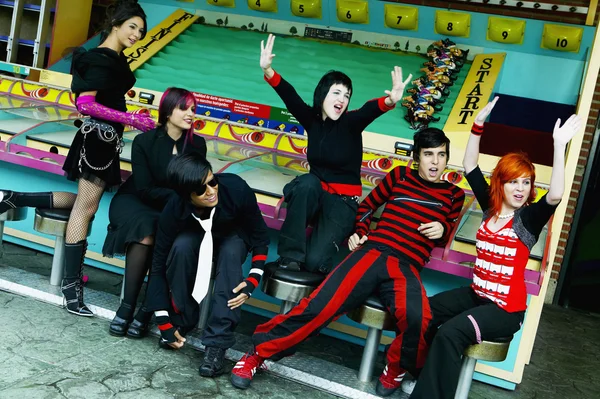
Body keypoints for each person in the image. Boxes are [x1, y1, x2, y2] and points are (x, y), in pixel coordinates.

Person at [231, 128, 466, 397]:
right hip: (373, 253)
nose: (435, 162)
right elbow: (365, 207)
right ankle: (257, 355)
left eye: (441, 155)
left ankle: (396, 367)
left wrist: (441, 229)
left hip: (406, 265)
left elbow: (447, 228)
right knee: (319, 307)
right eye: (428, 155)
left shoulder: (453, 195)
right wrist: (361, 231)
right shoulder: (399, 176)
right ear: (416, 157)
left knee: (420, 318)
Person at [409, 98, 582, 398]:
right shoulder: (491, 208)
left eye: (526, 183)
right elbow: (470, 165)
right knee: (425, 311)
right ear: (500, 184)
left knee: (451, 333)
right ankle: (416, 373)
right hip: (477, 295)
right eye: (513, 182)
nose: (520, 189)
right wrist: (477, 126)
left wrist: (559, 145)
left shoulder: (527, 219)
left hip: (504, 310)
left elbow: (555, 195)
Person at [0, 0, 154, 317]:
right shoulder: (101, 58)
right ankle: (72, 290)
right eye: (133, 27)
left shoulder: (109, 57)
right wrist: (131, 120)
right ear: (116, 24)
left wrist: (127, 117)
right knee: (86, 209)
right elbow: (85, 105)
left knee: (85, 204)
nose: (137, 34)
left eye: (141, 30)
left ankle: (15, 197)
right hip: (98, 140)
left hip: (102, 141)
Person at [259, 33, 412, 273]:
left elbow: (369, 110)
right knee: (307, 183)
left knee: (314, 263)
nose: (343, 99)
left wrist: (390, 100)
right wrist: (268, 70)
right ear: (323, 95)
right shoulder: (312, 119)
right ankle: (289, 257)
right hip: (315, 194)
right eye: (337, 93)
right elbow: (289, 96)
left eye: (347, 95)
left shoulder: (351, 122)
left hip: (342, 203)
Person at [145, 153, 270, 378]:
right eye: (201, 190)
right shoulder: (173, 211)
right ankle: (183, 320)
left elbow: (260, 238)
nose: (211, 191)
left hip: (234, 236)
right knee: (181, 247)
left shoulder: (237, 190)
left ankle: (217, 344)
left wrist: (252, 279)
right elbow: (157, 266)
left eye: (212, 182)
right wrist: (163, 322)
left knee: (231, 254)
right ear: (186, 194)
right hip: (196, 234)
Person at [104, 87, 206, 338]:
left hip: (172, 209)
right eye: (184, 108)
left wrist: (182, 199)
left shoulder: (197, 145)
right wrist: (178, 196)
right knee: (148, 230)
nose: (190, 114)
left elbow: (194, 185)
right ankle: (128, 308)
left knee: (162, 231)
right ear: (168, 110)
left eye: (194, 109)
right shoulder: (144, 141)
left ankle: (146, 311)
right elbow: (145, 187)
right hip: (135, 201)